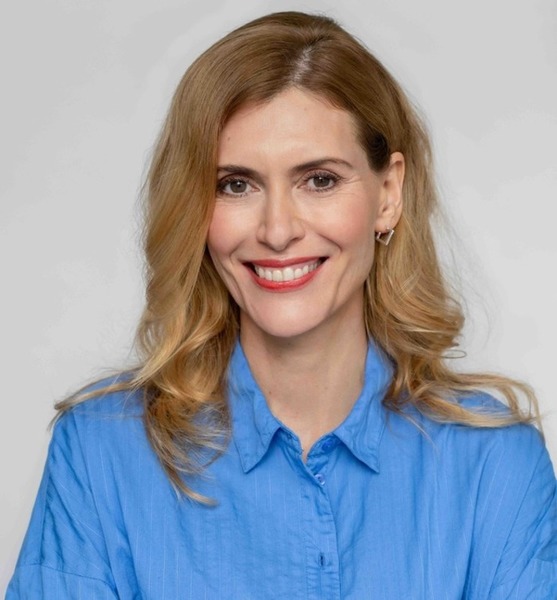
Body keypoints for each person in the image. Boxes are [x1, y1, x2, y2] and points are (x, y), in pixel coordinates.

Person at [7, 10, 557, 599]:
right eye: (235, 185)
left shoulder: (494, 465)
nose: (276, 230)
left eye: (319, 180)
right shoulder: (101, 454)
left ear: (388, 194)